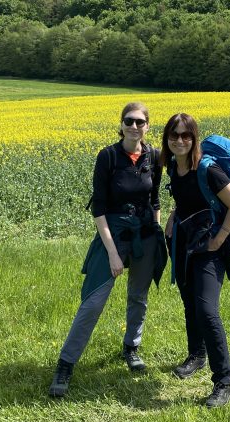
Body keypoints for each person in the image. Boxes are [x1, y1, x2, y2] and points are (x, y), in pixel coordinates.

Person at [49, 102, 167, 398]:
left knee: (138, 296)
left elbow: (155, 201)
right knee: (93, 301)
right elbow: (99, 208)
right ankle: (65, 364)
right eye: (129, 121)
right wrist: (113, 253)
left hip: (144, 235)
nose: (134, 126)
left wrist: (155, 229)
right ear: (122, 124)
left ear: (148, 126)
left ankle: (131, 347)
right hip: (112, 233)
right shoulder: (108, 157)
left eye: (140, 122)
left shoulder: (153, 156)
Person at [161, 113, 230, 408]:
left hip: (210, 245)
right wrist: (173, 217)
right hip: (183, 242)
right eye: (174, 135)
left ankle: (223, 382)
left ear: (195, 138)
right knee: (189, 303)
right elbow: (185, 199)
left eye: (186, 135)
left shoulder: (208, 170)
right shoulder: (173, 166)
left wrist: (219, 240)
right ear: (167, 139)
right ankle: (196, 355)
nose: (180, 140)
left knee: (207, 310)